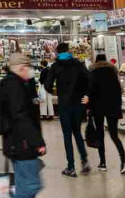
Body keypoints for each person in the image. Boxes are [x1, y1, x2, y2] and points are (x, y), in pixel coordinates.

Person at [0, 53, 46, 198]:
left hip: (18, 143)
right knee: (30, 187)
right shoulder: (15, 86)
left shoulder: (16, 83)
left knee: (26, 184)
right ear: (20, 68)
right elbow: (21, 117)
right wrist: (37, 141)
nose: (30, 70)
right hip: (22, 144)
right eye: (28, 67)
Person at [42, 42, 89, 177]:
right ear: (68, 51)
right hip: (78, 104)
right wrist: (85, 94)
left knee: (67, 135)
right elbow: (88, 78)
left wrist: (55, 92)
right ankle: (84, 160)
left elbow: (47, 85)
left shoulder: (56, 66)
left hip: (64, 104)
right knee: (77, 132)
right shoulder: (78, 64)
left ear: (57, 52)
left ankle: (71, 167)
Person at [87, 54, 125, 174]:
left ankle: (103, 162)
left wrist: (89, 108)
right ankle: (124, 160)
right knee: (114, 134)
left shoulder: (93, 73)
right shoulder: (113, 73)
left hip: (98, 108)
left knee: (100, 134)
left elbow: (90, 92)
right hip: (113, 107)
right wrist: (118, 108)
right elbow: (118, 91)